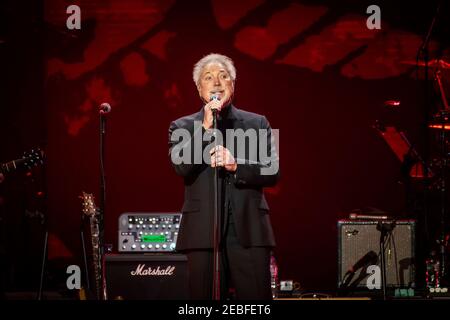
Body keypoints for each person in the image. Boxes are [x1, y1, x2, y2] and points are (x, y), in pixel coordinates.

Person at [168, 53, 279, 300]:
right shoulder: (181, 126)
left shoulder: (258, 122)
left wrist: (236, 165)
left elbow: (273, 171)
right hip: (202, 232)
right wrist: (205, 127)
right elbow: (181, 166)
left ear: (232, 85)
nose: (216, 82)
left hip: (249, 230)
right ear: (199, 89)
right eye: (208, 77)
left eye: (223, 76)